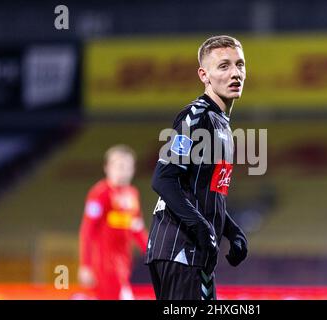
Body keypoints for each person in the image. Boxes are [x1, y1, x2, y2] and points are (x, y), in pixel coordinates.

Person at [145, 35, 248, 300]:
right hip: (180, 250)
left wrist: (231, 231)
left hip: (194, 253)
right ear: (204, 75)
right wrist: (203, 230)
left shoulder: (220, 122)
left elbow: (202, 192)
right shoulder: (196, 116)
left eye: (240, 64)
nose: (235, 73)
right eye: (224, 66)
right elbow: (164, 178)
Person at [78, 145, 148, 300]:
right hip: (104, 264)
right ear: (107, 168)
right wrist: (86, 265)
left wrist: (153, 256)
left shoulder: (132, 194)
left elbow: (137, 229)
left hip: (124, 262)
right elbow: (87, 230)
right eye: (119, 166)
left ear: (133, 170)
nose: (122, 171)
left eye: (126, 167)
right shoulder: (100, 193)